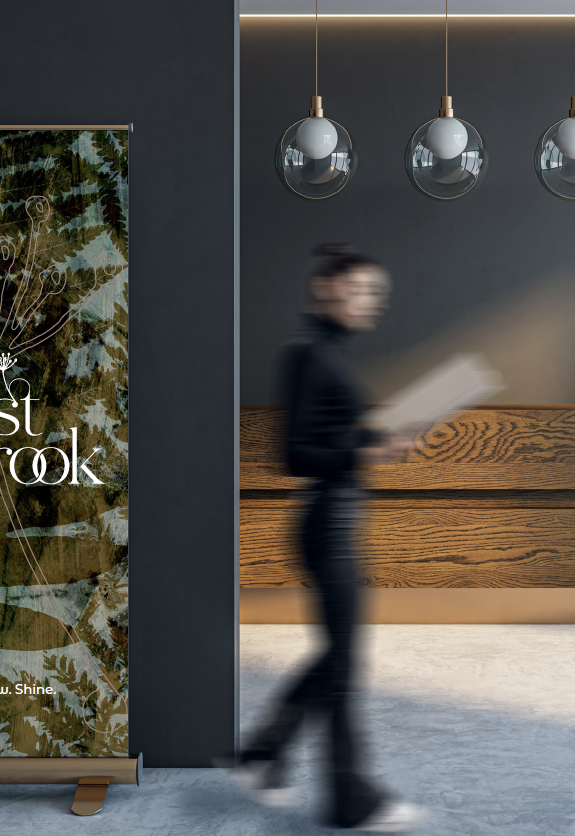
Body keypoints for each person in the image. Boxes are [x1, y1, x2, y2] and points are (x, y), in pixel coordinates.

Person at [233, 243, 427, 832]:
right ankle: (346, 797)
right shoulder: (307, 354)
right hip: (325, 525)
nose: (372, 301)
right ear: (327, 289)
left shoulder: (326, 353)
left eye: (377, 293)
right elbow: (293, 453)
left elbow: (332, 435)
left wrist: (377, 439)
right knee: (344, 664)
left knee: (337, 657)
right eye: (362, 290)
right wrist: (367, 446)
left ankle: (266, 750)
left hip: (337, 521)